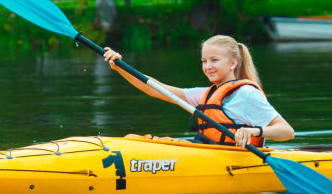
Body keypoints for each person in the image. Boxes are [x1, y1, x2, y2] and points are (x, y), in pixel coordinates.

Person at [102, 35, 294, 148]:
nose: (208, 66)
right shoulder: (205, 94)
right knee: (135, 141)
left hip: (236, 161)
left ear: (233, 63)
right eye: (204, 61)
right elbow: (155, 89)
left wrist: (253, 130)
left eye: (214, 60)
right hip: (206, 152)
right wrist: (120, 66)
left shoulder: (246, 94)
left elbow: (287, 131)